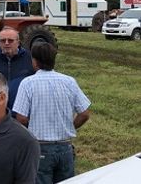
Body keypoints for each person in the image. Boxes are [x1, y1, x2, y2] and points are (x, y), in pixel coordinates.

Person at [13, 42, 91, 184]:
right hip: (65, 148)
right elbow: (84, 114)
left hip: (40, 148)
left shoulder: (28, 83)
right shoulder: (69, 82)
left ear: (34, 61)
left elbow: (21, 118)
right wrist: (70, 127)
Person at [0, 26, 34, 110]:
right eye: (3, 41)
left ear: (18, 42)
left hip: (23, 107)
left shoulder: (30, 59)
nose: (6, 43)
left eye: (10, 40)